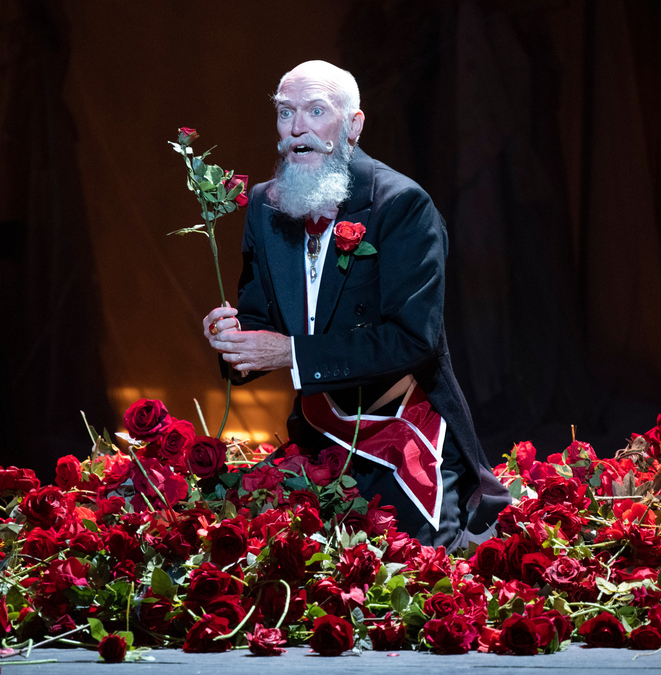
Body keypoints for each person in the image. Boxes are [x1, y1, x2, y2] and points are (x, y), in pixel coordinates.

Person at [202, 60, 509, 549]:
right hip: (317, 436)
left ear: (353, 125)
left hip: (405, 433)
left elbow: (414, 341)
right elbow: (261, 324)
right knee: (222, 537)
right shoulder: (265, 206)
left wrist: (289, 354)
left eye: (315, 111)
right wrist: (232, 339)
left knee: (415, 580)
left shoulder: (402, 205)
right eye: (285, 113)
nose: (297, 129)